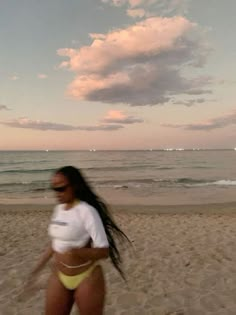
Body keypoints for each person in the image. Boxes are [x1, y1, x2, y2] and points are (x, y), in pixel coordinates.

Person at [27, 165, 130, 315]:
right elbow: (55, 242)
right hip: (59, 275)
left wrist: (78, 252)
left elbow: (103, 251)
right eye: (54, 188)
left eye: (61, 188)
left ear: (74, 186)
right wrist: (38, 267)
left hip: (86, 276)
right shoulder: (59, 209)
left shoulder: (87, 211)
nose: (57, 193)